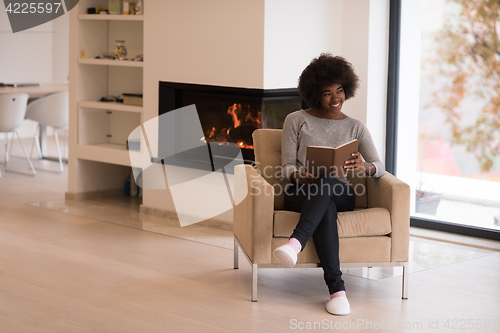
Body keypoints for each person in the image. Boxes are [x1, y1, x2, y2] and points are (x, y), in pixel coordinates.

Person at [273, 53, 385, 315]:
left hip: (342, 192)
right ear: (315, 94)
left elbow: (380, 166)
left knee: (328, 183)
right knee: (326, 206)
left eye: (340, 90)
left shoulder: (356, 127)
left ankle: (295, 244)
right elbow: (287, 166)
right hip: (302, 191)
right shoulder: (296, 120)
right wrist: (299, 175)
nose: (336, 98)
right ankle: (338, 292)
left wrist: (364, 167)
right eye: (327, 93)